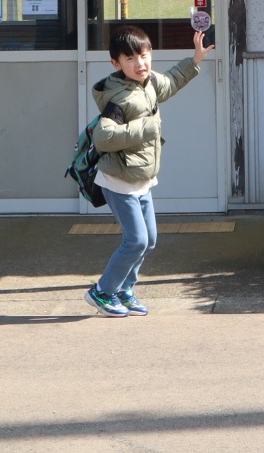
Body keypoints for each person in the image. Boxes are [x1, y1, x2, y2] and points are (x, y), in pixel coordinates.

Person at [85, 23, 211, 317]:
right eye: (130, 59)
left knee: (149, 240)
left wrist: (195, 60)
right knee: (136, 240)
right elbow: (103, 138)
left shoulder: (150, 83)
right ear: (116, 64)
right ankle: (102, 291)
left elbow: (171, 82)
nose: (139, 63)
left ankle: (124, 289)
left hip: (140, 178)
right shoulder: (118, 99)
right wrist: (147, 127)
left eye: (144, 55)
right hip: (118, 180)